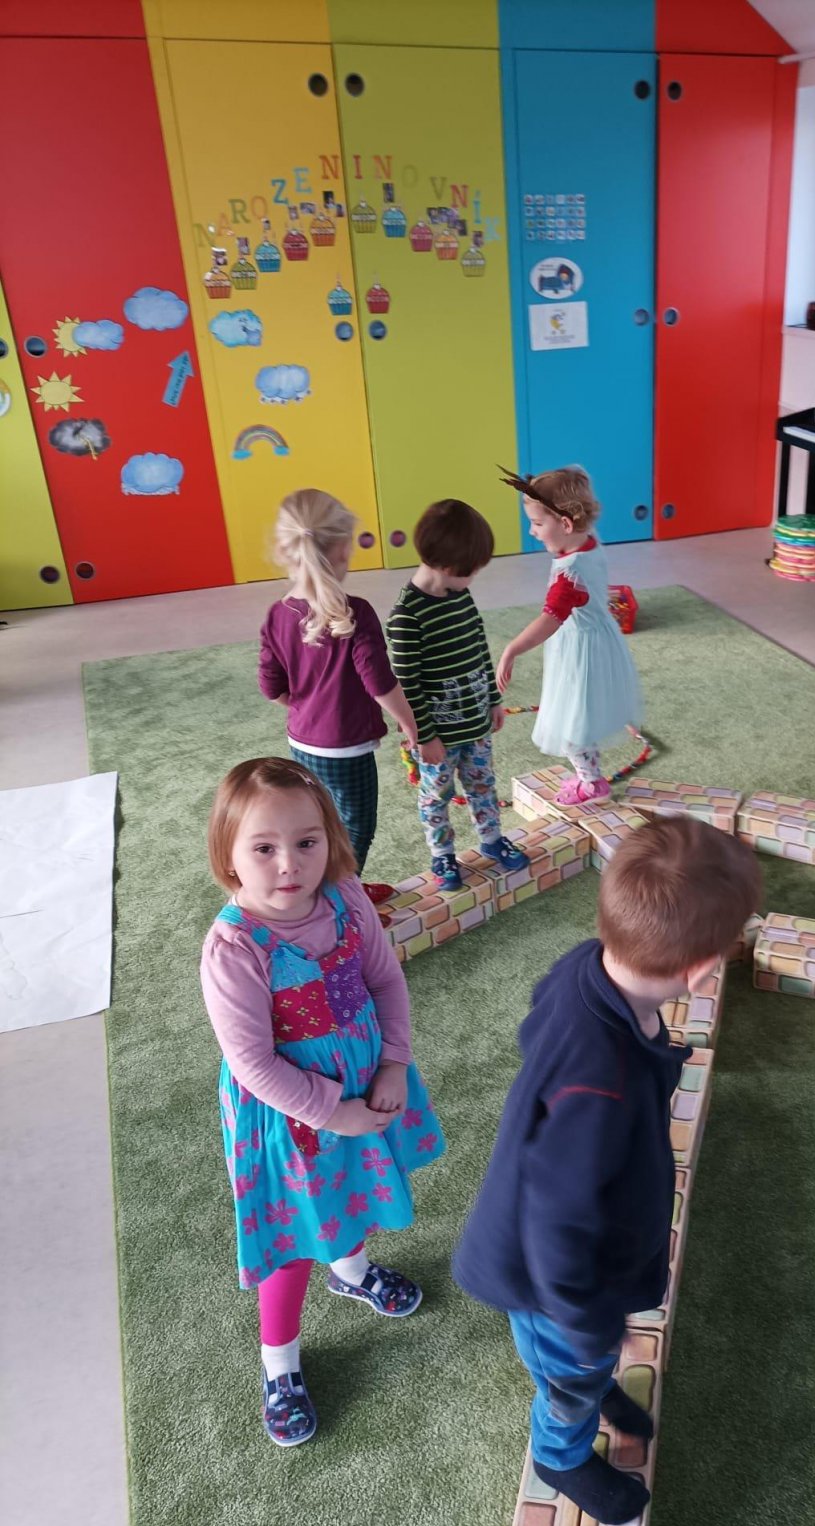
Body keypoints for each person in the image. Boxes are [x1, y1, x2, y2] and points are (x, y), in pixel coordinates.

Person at [453, 816, 761, 1522]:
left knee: (581, 1368)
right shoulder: (599, 1091)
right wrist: (588, 1325)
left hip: (568, 1257)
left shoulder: (589, 965)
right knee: (569, 1374)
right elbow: (557, 1225)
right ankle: (560, 1454)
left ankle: (589, 1382)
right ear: (699, 970)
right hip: (551, 1284)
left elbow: (540, 1010)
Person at [200, 757, 445, 1446]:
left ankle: (352, 1271)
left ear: (330, 839)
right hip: (287, 1120)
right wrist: (334, 1112)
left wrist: (394, 1063)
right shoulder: (233, 946)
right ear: (229, 856)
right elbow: (253, 1064)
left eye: (306, 841)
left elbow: (385, 981)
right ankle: (279, 1365)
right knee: (290, 1242)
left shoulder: (345, 897)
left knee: (350, 1191)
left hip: (365, 1087)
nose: (290, 864)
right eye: (264, 848)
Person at [258, 488, 419, 879]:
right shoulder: (356, 612)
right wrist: (410, 723)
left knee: (321, 821)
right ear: (344, 549)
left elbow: (271, 687)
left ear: (286, 550)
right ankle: (339, 894)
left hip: (301, 742)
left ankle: (323, 887)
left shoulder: (277, 614)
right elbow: (379, 682)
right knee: (357, 826)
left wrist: (307, 707)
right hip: (346, 748)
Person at [385, 498, 530, 892]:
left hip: (475, 724)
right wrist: (425, 736)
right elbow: (407, 683)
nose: (475, 577)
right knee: (436, 796)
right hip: (438, 738)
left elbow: (479, 647)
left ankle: (491, 839)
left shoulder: (460, 596)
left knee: (483, 785)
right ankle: (442, 854)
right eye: (474, 570)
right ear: (450, 567)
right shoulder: (406, 616)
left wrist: (493, 700)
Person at [495, 466, 643, 807]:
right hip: (597, 640)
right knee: (582, 716)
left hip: (580, 652)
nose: (532, 531)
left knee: (570, 723)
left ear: (564, 524)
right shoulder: (589, 542)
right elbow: (576, 476)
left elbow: (549, 621)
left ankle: (592, 784)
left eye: (537, 523)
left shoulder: (569, 575)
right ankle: (588, 773)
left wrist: (511, 650)